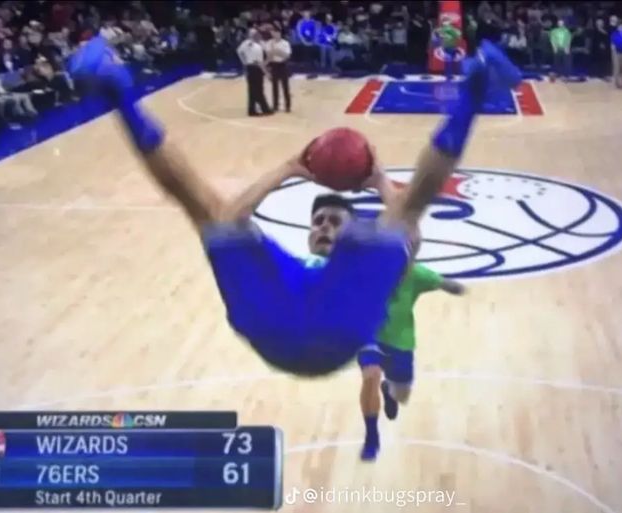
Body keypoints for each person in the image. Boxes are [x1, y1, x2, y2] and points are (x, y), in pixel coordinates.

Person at [67, 35, 521, 377]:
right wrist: (290, 166)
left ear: (353, 230)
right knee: (209, 212)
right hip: (289, 314)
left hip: (298, 323)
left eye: (333, 221)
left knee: (404, 216)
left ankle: (474, 93)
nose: (323, 225)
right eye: (318, 220)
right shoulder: (295, 261)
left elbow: (408, 224)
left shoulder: (358, 259)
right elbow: (234, 216)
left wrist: (380, 180)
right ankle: (116, 92)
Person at [358, 263, 465, 460]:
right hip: (370, 336)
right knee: (370, 374)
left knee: (402, 395)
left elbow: (442, 282)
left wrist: (457, 288)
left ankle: (389, 391)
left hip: (401, 342)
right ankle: (371, 438)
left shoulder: (417, 274)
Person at [237, 29, 272, 117]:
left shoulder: (245, 43)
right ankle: (265, 109)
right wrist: (267, 73)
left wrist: (244, 62)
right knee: (259, 89)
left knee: (252, 90)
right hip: (256, 69)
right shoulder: (257, 47)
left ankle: (251, 110)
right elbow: (260, 63)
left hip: (249, 67)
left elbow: (239, 51)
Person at [266, 28, 292, 112]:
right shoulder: (269, 43)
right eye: (274, 33)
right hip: (274, 65)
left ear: (280, 33)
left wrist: (277, 51)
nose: (275, 34)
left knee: (285, 86)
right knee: (274, 87)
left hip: (283, 65)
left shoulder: (285, 43)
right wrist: (278, 52)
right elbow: (269, 55)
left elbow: (287, 56)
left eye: (277, 33)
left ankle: (287, 106)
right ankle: (275, 105)